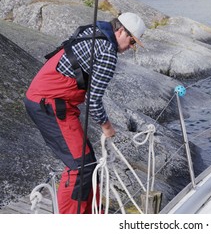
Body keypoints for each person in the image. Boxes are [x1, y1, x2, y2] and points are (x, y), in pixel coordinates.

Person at [24, 12, 146, 214]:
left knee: (88, 162)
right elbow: (93, 99)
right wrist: (108, 128)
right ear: (121, 30)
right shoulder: (108, 53)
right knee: (80, 168)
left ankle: (90, 213)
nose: (131, 47)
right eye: (132, 41)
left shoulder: (93, 32)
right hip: (50, 104)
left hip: (53, 101)